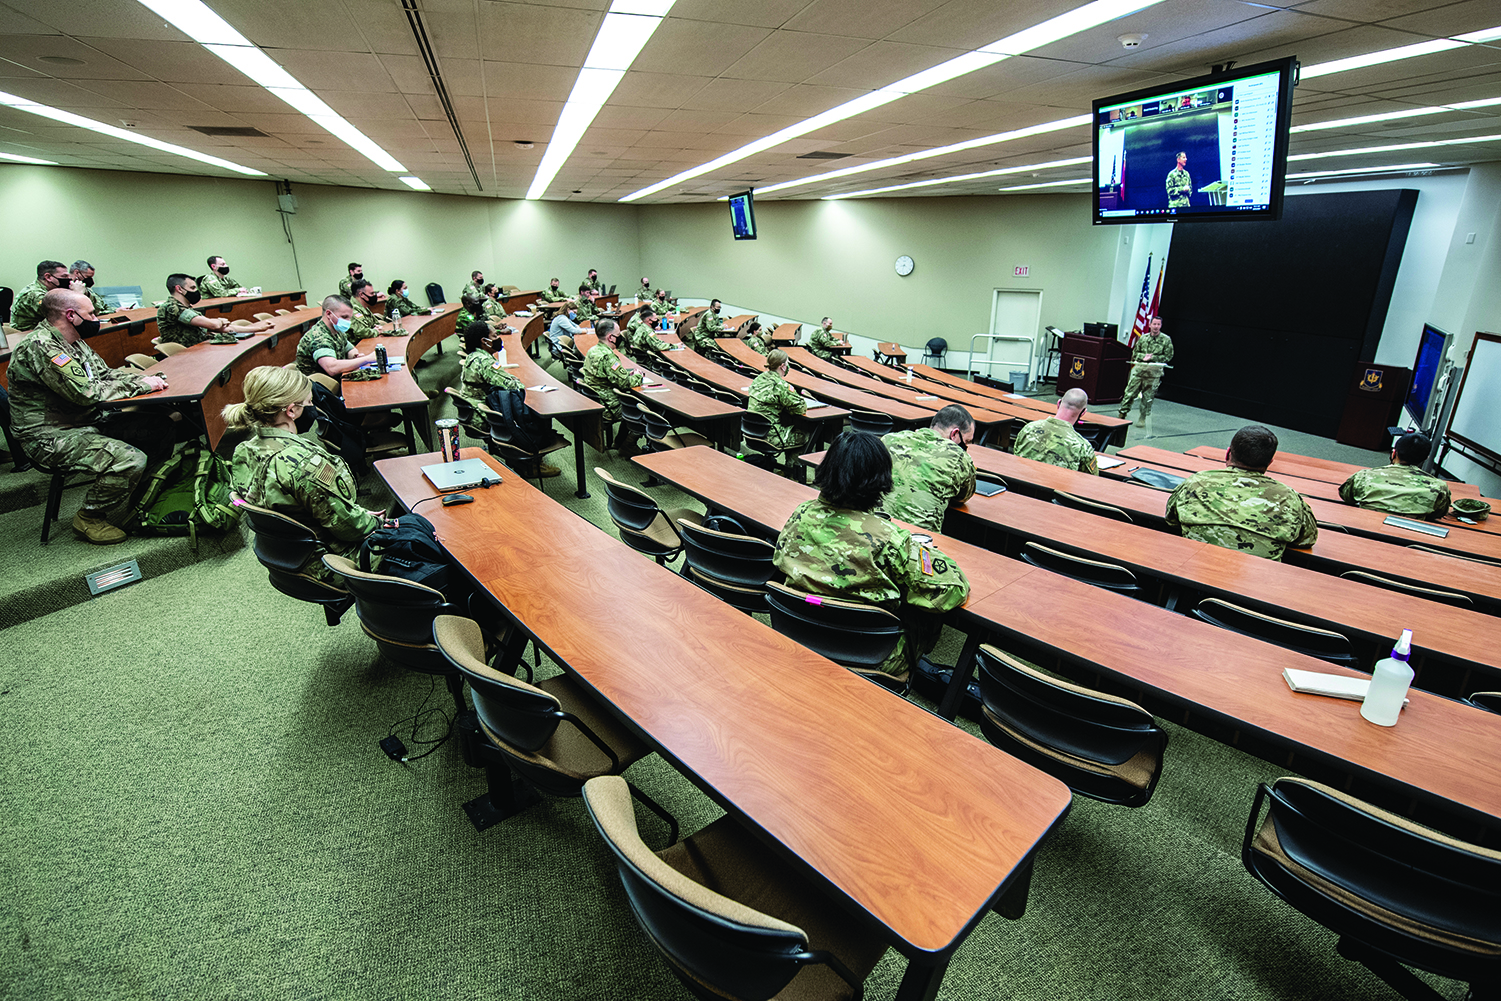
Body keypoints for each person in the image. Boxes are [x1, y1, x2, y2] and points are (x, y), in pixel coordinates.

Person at [774, 431, 970, 676]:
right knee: (920, 606)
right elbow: (953, 590)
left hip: (800, 634)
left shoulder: (800, 514)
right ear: (880, 480)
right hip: (869, 653)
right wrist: (923, 555)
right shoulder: (889, 539)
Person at [7, 289, 172, 543]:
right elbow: (86, 392)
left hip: (86, 420)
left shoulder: (73, 340)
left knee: (159, 426)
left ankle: (143, 496)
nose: (97, 318)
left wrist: (145, 379)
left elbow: (104, 375)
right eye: (91, 313)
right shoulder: (42, 346)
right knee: (130, 459)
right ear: (71, 315)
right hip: (49, 435)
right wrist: (143, 386)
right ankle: (89, 516)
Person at [225, 365, 382, 581]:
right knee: (419, 539)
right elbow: (348, 528)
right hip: (328, 560)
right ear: (291, 411)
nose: (313, 408)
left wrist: (353, 513)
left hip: (287, 553)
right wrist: (380, 524)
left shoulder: (244, 450)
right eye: (309, 403)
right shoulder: (303, 463)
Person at [1166, 424, 1318, 561]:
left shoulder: (1196, 482)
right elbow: (1307, 539)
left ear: (1228, 454)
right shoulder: (1289, 498)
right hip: (1256, 586)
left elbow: (1171, 519)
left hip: (1193, 573)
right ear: (1270, 462)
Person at [882, 405, 977, 532]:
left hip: (878, 525)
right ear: (954, 434)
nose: (965, 448)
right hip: (918, 539)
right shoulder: (959, 457)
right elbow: (963, 496)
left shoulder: (889, 439)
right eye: (966, 442)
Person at [1339, 432, 1452, 518]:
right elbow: (1438, 513)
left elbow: (1347, 497)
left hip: (1362, 531)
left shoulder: (1364, 476)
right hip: (1410, 541)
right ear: (1425, 459)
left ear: (1394, 453)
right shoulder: (1438, 487)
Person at [157, 273, 270, 346]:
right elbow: (213, 325)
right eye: (192, 288)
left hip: (198, 349)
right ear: (179, 289)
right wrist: (219, 320)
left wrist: (260, 328)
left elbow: (223, 328)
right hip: (184, 356)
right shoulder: (172, 307)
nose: (196, 292)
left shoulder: (186, 308)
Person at [1013, 388, 1099, 475]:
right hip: (1057, 487)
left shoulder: (1029, 428)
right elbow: (1092, 478)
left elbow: (1015, 455)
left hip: (1020, 484)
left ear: (1058, 403)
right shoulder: (1082, 446)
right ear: (1083, 412)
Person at [295, 295, 379, 377]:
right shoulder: (319, 337)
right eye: (344, 317)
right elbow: (332, 368)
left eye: (349, 318)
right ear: (328, 314)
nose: (348, 321)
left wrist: (355, 356)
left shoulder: (336, 329)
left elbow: (350, 349)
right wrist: (366, 359)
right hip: (318, 387)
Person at [581, 318, 643, 425]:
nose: (621, 338)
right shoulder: (608, 357)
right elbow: (625, 383)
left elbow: (609, 375)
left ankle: (620, 441)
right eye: (618, 335)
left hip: (595, 400)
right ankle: (624, 442)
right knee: (642, 415)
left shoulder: (592, 350)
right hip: (610, 407)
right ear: (611, 337)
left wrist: (627, 375)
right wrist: (638, 375)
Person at [1118, 315, 1174, 431]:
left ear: (1161, 326)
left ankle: (1142, 418)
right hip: (1140, 371)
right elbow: (1135, 353)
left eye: (1158, 324)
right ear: (1150, 325)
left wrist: (1153, 358)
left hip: (1153, 374)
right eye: (1154, 324)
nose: (1156, 327)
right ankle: (1122, 414)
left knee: (1147, 398)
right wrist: (1143, 357)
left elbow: (1168, 356)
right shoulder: (1143, 338)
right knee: (1129, 394)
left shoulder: (1166, 340)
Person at [747, 349, 809, 453]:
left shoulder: (758, 379)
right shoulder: (781, 385)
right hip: (770, 437)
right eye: (788, 363)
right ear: (782, 366)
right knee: (804, 434)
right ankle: (792, 468)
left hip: (751, 432)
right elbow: (801, 408)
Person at [11, 260, 80, 331]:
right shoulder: (34, 294)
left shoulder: (52, 290)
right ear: (48, 277)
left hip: (42, 331)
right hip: (26, 334)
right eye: (64, 276)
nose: (68, 280)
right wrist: (77, 294)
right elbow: (61, 314)